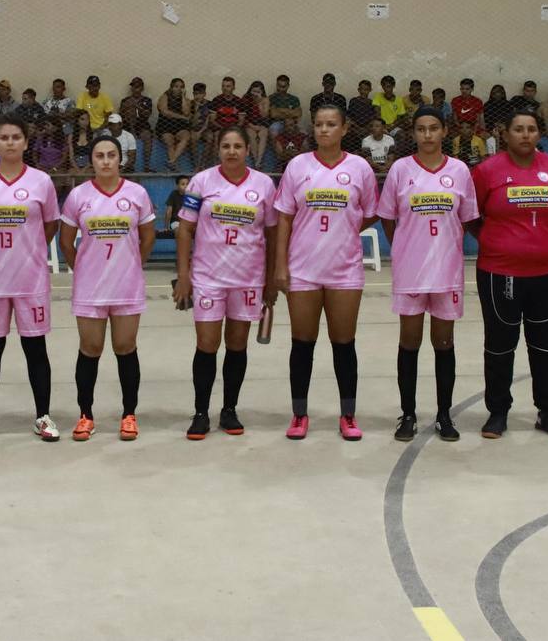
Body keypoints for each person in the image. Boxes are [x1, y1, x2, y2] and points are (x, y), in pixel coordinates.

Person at [273, 104, 378, 440]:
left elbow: (371, 211)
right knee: (302, 343)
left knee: (343, 343)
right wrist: (280, 265)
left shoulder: (360, 167)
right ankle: (299, 414)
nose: (324, 130)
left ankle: (348, 415)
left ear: (344, 129)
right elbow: (284, 217)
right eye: (319, 124)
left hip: (344, 270)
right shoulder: (297, 166)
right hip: (303, 269)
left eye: (331, 124)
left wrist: (345, 229)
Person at [470, 108, 548, 439]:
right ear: (506, 134)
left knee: (546, 345)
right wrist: (501, 242)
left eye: (531, 129)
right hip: (499, 272)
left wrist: (538, 242)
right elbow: (472, 216)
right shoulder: (487, 171)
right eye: (518, 129)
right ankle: (498, 411)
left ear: (539, 134)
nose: (525, 134)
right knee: (500, 345)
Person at [377, 107, 478, 441]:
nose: (428, 135)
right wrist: (405, 247)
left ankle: (444, 415)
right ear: (414, 133)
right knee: (410, 341)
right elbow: (388, 217)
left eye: (434, 128)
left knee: (444, 342)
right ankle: (407, 414)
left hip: (447, 270)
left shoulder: (460, 170)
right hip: (411, 270)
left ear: (444, 131)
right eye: (421, 129)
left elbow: (467, 218)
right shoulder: (400, 170)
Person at [0, 115, 61, 442]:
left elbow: (50, 225)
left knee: (36, 348)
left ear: (26, 142)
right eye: (4, 137)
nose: (10, 142)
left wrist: (29, 250)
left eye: (16, 137)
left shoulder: (41, 181)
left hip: (30, 277)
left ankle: (43, 416)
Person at [175, 126, 278, 439]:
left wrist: (271, 278)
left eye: (237, 146)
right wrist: (183, 275)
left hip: (248, 278)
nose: (231, 151)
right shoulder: (201, 182)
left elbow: (272, 234)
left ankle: (229, 410)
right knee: (207, 344)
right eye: (225, 146)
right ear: (218, 149)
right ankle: (200, 413)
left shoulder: (264, 184)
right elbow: (185, 229)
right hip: (208, 276)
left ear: (248, 150)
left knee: (237, 344)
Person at [59, 136, 156, 441]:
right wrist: (84, 269)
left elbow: (148, 237)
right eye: (99, 155)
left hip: (126, 284)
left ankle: (129, 414)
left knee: (125, 347)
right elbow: (66, 242)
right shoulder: (78, 196)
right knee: (90, 349)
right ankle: (85, 415)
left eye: (111, 155)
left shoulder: (137, 193)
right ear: (92, 160)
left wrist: (132, 265)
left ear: (119, 159)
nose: (105, 161)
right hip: (90, 287)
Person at [118, 77, 154, 169]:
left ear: (142, 88)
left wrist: (137, 106)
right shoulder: (125, 100)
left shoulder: (147, 100)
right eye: (134, 87)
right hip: (128, 125)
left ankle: (147, 165)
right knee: (126, 139)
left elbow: (147, 114)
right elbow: (121, 114)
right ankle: (127, 165)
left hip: (142, 124)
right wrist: (129, 109)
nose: (136, 89)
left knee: (147, 136)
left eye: (138, 87)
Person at [156, 77, 192, 169]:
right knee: (170, 141)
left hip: (180, 126)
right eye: (176, 86)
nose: (179, 89)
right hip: (165, 125)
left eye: (181, 87)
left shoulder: (186, 100)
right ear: (171, 87)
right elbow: (165, 112)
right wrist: (181, 117)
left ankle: (172, 161)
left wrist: (183, 97)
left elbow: (186, 112)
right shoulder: (165, 97)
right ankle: (174, 166)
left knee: (186, 137)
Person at [242, 80, 270, 167]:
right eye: (254, 91)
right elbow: (243, 116)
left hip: (262, 124)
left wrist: (259, 102)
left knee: (263, 135)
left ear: (262, 92)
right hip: (250, 124)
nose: (255, 94)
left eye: (258, 92)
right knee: (251, 136)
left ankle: (259, 160)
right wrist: (252, 126)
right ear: (250, 90)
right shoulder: (246, 99)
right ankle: (255, 160)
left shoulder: (265, 100)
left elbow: (264, 115)